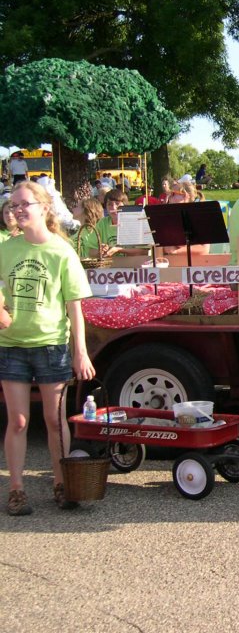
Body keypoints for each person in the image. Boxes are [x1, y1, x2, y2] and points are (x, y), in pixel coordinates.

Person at [2, 181, 96, 515]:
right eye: (14, 205)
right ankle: (16, 490)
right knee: (18, 421)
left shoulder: (61, 251)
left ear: (44, 208)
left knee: (55, 421)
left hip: (51, 346)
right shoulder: (6, 249)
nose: (17, 210)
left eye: (24, 204)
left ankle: (62, 484)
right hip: (11, 347)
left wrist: (80, 352)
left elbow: (75, 308)